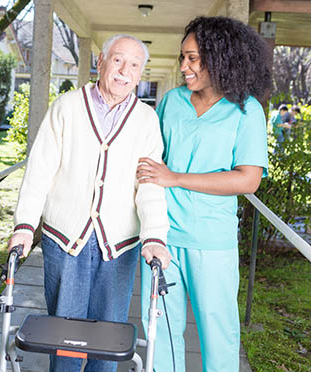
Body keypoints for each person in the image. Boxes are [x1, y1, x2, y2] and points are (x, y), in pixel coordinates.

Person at [8, 34, 171, 372]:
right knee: (63, 339)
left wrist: (155, 235)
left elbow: (150, 185)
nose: (124, 71)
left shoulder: (146, 121)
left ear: (140, 74)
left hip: (119, 245)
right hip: (65, 237)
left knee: (109, 342)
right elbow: (40, 170)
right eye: (117, 60)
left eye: (134, 65)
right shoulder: (66, 107)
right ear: (101, 61)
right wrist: (25, 225)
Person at [137, 16, 271, 372]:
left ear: (220, 58)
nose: (184, 66)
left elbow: (248, 180)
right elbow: (154, 164)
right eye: (183, 57)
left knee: (219, 336)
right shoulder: (172, 102)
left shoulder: (246, 111)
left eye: (193, 58)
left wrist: (176, 178)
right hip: (162, 235)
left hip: (212, 241)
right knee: (160, 333)